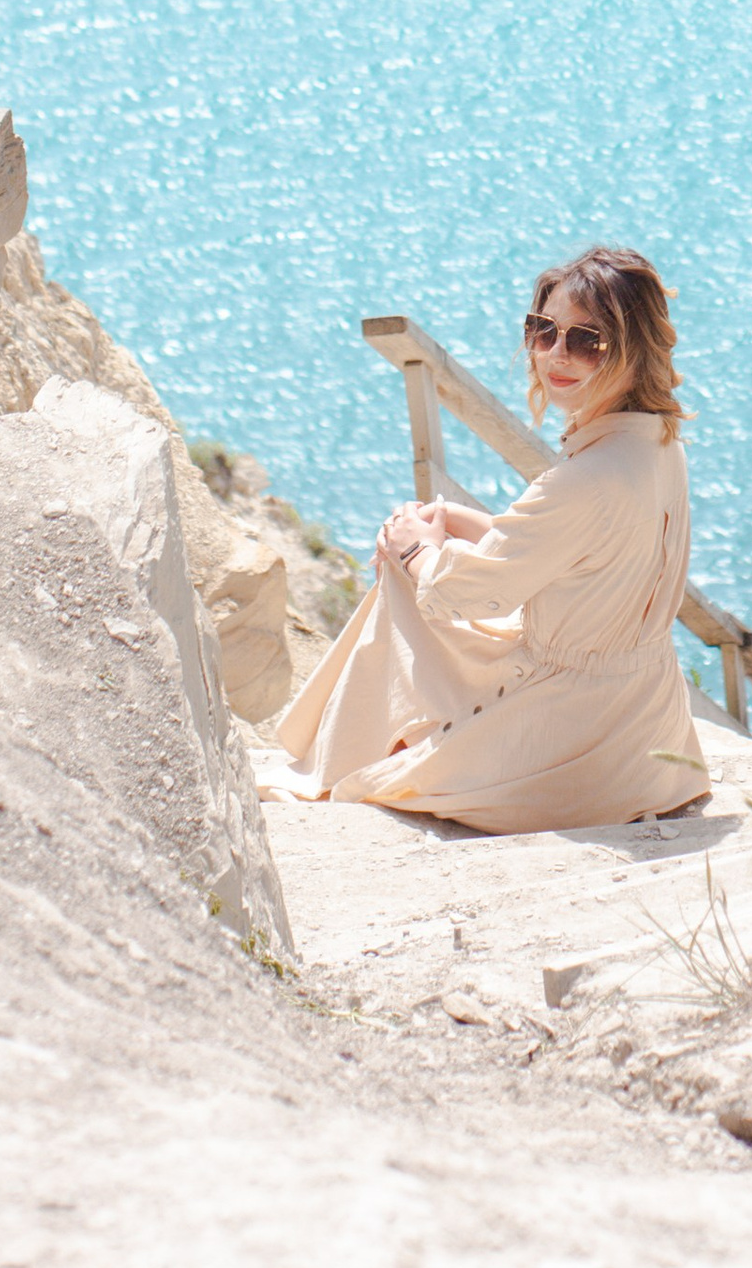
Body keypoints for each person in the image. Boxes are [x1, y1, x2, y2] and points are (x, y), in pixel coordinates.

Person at [266, 244, 714, 833]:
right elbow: (567, 555)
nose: (556, 354)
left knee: (410, 583)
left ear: (633, 350)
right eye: (544, 330)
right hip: (644, 728)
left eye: (588, 341)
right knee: (422, 571)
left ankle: (345, 751)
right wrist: (451, 518)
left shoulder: (583, 479)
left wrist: (411, 546)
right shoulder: (658, 444)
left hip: (571, 738)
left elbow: (471, 593)